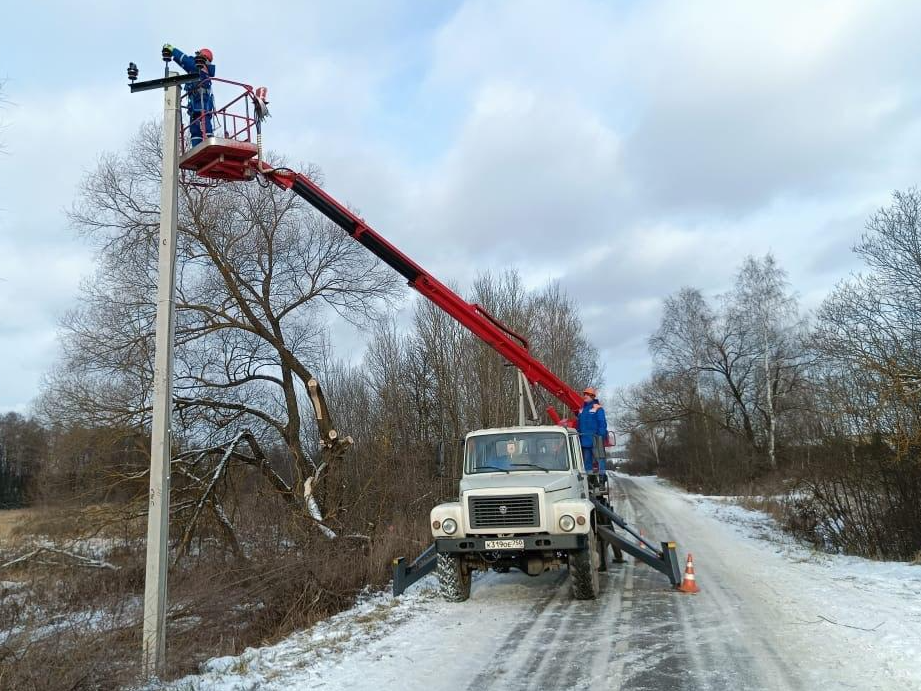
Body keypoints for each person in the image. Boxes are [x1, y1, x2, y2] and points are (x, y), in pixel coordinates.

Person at [162, 44, 216, 147]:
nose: (196, 58)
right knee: (196, 126)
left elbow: (185, 60)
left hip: (201, 101)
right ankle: (200, 145)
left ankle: (207, 143)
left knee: (203, 124)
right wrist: (173, 57)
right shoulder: (201, 70)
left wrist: (173, 50)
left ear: (203, 58)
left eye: (198, 56)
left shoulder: (199, 68)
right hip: (197, 102)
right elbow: (185, 63)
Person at [577, 387, 608, 474]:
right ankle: (590, 480)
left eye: (587, 394)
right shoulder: (582, 410)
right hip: (585, 441)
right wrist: (578, 435)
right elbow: (579, 425)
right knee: (587, 462)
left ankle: (602, 479)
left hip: (596, 439)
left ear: (592, 396)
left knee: (600, 461)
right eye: (584, 394)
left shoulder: (598, 408)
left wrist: (600, 437)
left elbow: (602, 423)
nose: (585, 396)